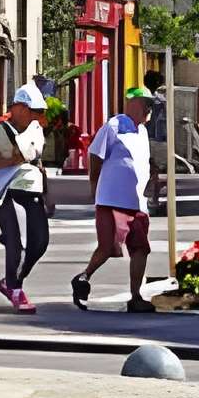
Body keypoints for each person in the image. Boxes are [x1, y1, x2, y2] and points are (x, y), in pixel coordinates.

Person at [73, 85, 157, 314]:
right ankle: (83, 278)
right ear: (134, 105)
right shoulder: (114, 125)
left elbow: (142, 162)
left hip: (136, 201)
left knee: (141, 249)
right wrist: (94, 184)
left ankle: (136, 297)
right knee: (107, 248)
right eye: (147, 105)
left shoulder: (143, 132)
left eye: (151, 106)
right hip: (112, 198)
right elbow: (95, 154)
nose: (150, 110)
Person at [0, 87, 50, 314]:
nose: (39, 116)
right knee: (18, 243)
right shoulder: (2, 131)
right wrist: (14, 160)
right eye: (35, 111)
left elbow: (37, 163)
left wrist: (47, 191)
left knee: (40, 242)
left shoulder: (35, 132)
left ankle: (11, 281)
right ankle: (16, 289)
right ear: (20, 109)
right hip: (8, 193)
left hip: (32, 193)